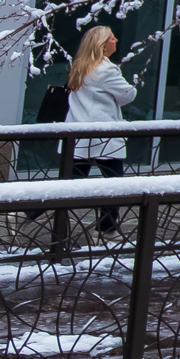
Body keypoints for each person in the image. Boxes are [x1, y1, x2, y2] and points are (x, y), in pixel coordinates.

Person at [64, 27, 135, 233]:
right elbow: (128, 95)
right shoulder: (106, 70)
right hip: (103, 138)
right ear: (103, 45)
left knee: (68, 187)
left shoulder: (79, 66)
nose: (116, 40)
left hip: (78, 136)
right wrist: (133, 87)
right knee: (114, 185)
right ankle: (107, 230)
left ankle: (29, 211)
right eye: (112, 38)